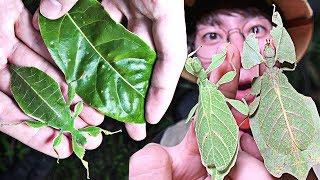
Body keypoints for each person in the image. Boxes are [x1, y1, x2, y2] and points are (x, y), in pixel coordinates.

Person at [129, 0, 316, 179]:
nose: (238, 50)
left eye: (256, 30)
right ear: (189, 49)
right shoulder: (168, 143)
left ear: (281, 43)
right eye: (211, 35)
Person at [0, 0, 187, 158]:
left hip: (33, 87)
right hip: (34, 84)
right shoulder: (72, 115)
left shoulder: (72, 116)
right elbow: (70, 87)